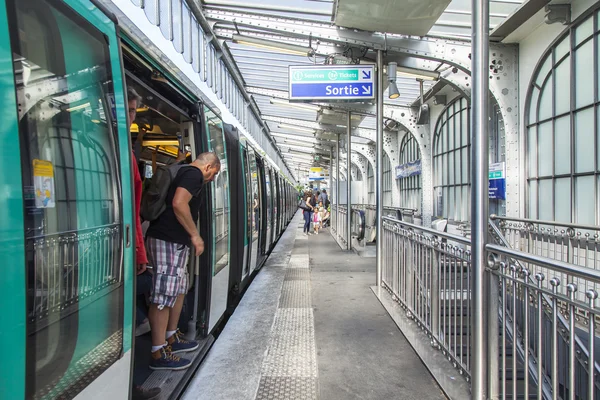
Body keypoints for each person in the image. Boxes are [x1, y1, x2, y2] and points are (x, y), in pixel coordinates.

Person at [146, 151, 220, 370]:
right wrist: (195, 235)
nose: (212, 179)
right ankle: (158, 353)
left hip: (174, 242)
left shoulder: (186, 172)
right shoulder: (193, 174)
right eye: (213, 174)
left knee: (177, 290)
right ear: (208, 167)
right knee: (163, 296)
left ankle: (171, 338)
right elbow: (179, 203)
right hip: (167, 240)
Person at [128, 87, 161, 400]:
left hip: (129, 244)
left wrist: (139, 250)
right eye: (127, 110)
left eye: (133, 112)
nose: (130, 118)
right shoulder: (118, 150)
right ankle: (131, 386)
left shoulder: (123, 148)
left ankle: (130, 384)